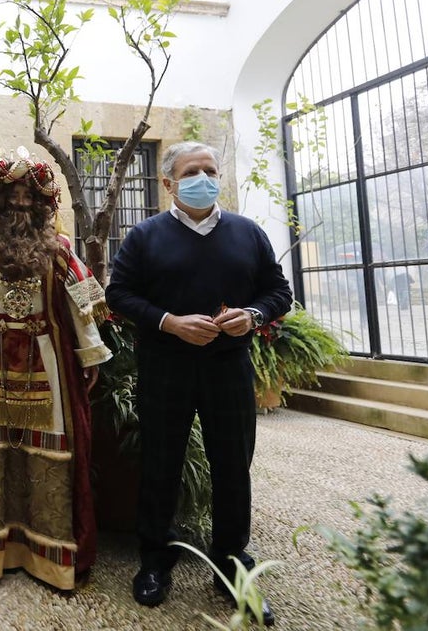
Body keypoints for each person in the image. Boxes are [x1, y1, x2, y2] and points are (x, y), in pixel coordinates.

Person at [105, 141, 293, 626]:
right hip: (165, 367)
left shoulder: (247, 233)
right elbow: (118, 293)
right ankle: (155, 561)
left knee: (234, 466)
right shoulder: (144, 236)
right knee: (160, 464)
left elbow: (279, 291)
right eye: (193, 171)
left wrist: (252, 314)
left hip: (229, 367)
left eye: (210, 170)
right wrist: (169, 321)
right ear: (169, 182)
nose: (204, 177)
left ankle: (232, 566)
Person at [0, 148, 111, 591]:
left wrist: (90, 355)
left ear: (42, 203)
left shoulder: (61, 249)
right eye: (10, 195)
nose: (19, 203)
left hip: (47, 363)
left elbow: (80, 307)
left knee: (43, 452)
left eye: (28, 195)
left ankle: (44, 554)